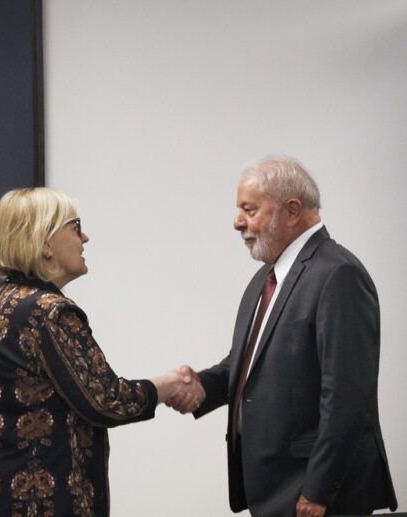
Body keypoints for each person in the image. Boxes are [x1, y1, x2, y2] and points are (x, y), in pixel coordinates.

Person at [170, 157, 398, 516]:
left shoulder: (339, 274)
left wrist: (318, 492)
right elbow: (251, 364)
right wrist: (202, 386)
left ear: (292, 211)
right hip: (274, 490)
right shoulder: (264, 279)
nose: (237, 222)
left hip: (316, 494)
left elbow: (348, 397)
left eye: (249, 209)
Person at [0, 187, 201, 516]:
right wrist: (169, 385)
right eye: (75, 227)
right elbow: (107, 401)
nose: (85, 238)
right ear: (45, 242)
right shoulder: (49, 312)